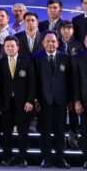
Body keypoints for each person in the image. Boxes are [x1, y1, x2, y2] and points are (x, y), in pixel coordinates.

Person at [35, 31, 71, 168]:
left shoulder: (65, 57)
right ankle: (47, 159)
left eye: (53, 41)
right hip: (44, 102)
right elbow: (34, 81)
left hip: (61, 101)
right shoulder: (36, 58)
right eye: (48, 41)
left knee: (60, 132)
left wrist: (70, 100)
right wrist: (35, 99)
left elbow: (70, 80)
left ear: (58, 43)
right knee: (45, 132)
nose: (51, 43)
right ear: (43, 43)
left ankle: (61, 159)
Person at [0, 35, 35, 167]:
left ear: (18, 47)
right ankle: (7, 157)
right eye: (7, 46)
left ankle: (22, 158)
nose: (10, 48)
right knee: (6, 133)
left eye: (12, 46)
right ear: (4, 48)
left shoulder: (27, 61)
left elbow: (32, 83)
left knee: (22, 132)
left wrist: (30, 100)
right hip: (6, 104)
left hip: (23, 103)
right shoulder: (0, 63)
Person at [72, 34, 87, 170]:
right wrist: (77, 101)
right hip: (84, 101)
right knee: (85, 132)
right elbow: (75, 82)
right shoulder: (78, 58)